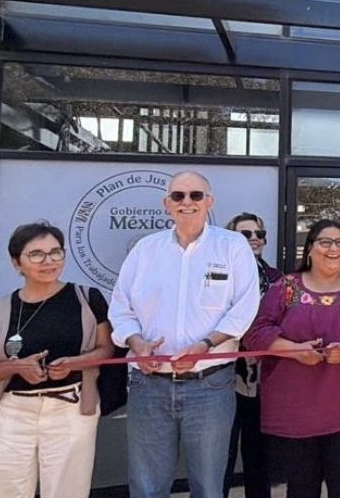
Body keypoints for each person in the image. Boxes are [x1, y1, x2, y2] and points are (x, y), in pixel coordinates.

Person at [109, 171, 260, 498]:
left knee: (208, 488)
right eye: (178, 196)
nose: (187, 202)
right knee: (147, 489)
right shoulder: (144, 250)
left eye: (195, 195)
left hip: (210, 386)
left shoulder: (232, 246)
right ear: (167, 204)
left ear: (210, 201)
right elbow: (120, 309)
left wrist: (205, 346)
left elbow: (245, 308)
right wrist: (137, 344)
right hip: (147, 386)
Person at [243, 218, 340, 498]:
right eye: (325, 242)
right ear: (310, 249)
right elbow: (256, 332)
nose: (333, 249)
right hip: (296, 412)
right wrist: (294, 351)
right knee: (301, 488)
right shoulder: (285, 288)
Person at [0, 221, 112, 498]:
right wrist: (14, 367)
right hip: (9, 411)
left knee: (68, 490)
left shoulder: (87, 298)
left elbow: (106, 349)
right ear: (16, 263)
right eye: (36, 254)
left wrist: (75, 363)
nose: (49, 261)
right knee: (0, 490)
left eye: (56, 252)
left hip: (70, 409)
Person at [224, 212, 282, 498]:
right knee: (222, 453)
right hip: (225, 375)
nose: (255, 239)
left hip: (265, 377)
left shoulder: (276, 278)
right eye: (246, 234)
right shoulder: (220, 276)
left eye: (259, 234)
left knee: (259, 453)